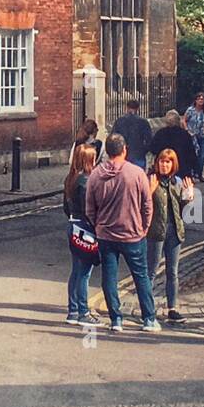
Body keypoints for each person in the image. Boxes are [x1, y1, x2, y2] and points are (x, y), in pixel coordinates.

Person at [85, 133, 160, 334]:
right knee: (141, 276)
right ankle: (149, 319)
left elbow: (90, 208)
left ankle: (116, 319)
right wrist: (144, 227)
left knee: (109, 277)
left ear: (107, 151)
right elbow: (147, 205)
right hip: (133, 234)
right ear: (124, 149)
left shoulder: (95, 174)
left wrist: (97, 225)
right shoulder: (136, 173)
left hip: (106, 235)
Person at [146, 148, 187, 324]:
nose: (164, 164)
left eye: (168, 162)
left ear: (173, 164)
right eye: (162, 161)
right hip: (156, 231)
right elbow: (141, 204)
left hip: (174, 231)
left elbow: (179, 210)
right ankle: (147, 308)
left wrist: (187, 198)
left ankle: (172, 308)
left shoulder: (177, 182)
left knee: (173, 271)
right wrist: (149, 190)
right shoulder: (151, 180)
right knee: (151, 272)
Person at [63, 143, 102, 326]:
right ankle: (83, 312)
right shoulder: (86, 182)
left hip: (73, 224)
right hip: (86, 228)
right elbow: (90, 210)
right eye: (94, 158)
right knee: (85, 273)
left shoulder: (70, 179)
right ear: (88, 160)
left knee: (76, 271)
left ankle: (72, 311)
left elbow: (65, 207)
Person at [149, 109, 196, 182]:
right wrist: (195, 169)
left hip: (165, 169)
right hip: (182, 169)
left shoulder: (160, 134)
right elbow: (191, 153)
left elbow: (153, 149)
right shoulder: (185, 135)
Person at [111, 99, 153, 165]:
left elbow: (113, 139)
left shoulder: (119, 121)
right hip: (138, 156)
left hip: (122, 155)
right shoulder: (143, 122)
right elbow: (149, 140)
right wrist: (143, 151)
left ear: (127, 108)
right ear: (138, 108)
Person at [181, 91, 204, 181]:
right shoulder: (191, 110)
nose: (201, 100)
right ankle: (192, 174)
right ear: (195, 100)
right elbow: (184, 120)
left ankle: (199, 173)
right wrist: (187, 130)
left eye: (202, 99)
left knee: (202, 156)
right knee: (193, 155)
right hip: (192, 136)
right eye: (199, 99)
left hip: (202, 136)